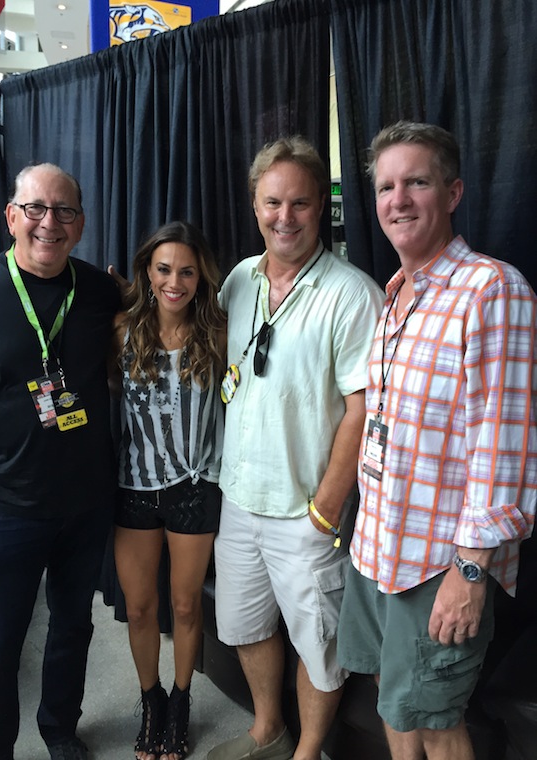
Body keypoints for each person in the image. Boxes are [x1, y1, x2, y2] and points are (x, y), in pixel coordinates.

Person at [337, 121, 537, 760]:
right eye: (387, 185)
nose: (399, 199)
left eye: (416, 182)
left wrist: (471, 570)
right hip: (377, 544)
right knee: (391, 696)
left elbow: (503, 440)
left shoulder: (492, 291)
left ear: (451, 193)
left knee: (437, 716)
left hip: (437, 562)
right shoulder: (396, 295)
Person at [207, 137, 384, 760]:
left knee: (320, 644)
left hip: (308, 509)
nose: (285, 216)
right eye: (272, 202)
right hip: (239, 500)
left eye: (300, 202)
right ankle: (268, 730)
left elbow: (364, 406)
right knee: (244, 626)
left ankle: (308, 752)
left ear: (321, 208)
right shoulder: (237, 281)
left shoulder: (352, 294)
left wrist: (329, 504)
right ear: (255, 206)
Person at [0, 164, 120, 760]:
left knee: (72, 626)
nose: (48, 223)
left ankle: (60, 728)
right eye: (35, 208)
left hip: (85, 501)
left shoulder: (101, 292)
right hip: (6, 507)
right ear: (11, 216)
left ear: (80, 225)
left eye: (64, 211)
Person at [112, 222, 226, 760]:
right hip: (134, 486)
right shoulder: (122, 330)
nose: (175, 282)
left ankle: (180, 702)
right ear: (147, 273)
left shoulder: (218, 332)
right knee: (139, 609)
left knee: (184, 606)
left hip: (195, 486)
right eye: (163, 269)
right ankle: (151, 700)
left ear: (200, 276)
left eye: (186, 271)